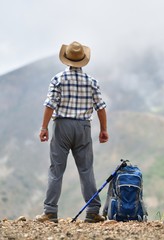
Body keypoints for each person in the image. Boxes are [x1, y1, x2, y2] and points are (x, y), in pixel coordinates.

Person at [36, 41, 109, 223]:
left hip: (62, 127)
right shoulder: (92, 82)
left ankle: (50, 212)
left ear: (66, 60)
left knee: (56, 170)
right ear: (83, 60)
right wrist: (104, 130)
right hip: (84, 127)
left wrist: (44, 127)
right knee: (86, 169)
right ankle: (92, 212)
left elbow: (50, 105)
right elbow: (100, 107)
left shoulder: (58, 79)